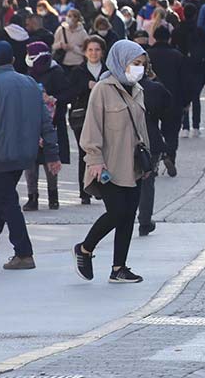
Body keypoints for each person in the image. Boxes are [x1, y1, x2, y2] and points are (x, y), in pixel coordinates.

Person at [0, 41, 60, 271]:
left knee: (6, 202)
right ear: (14, 61)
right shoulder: (30, 84)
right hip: (22, 155)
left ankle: (24, 253)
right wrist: (52, 154)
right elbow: (46, 123)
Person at [74, 40, 151, 284]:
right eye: (135, 63)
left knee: (128, 215)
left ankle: (119, 267)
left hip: (134, 165)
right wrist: (95, 159)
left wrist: (147, 159)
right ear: (121, 61)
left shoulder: (137, 89)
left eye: (141, 64)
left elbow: (141, 128)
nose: (138, 69)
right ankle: (85, 249)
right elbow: (91, 128)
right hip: (108, 164)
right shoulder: (103, 89)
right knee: (116, 212)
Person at [24, 42, 72, 211]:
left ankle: (53, 196)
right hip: (31, 123)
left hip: (52, 123)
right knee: (31, 162)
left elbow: (67, 94)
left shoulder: (56, 72)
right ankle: (32, 197)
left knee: (50, 160)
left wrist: (52, 98)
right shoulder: (29, 72)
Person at [68, 36, 108, 204]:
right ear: (85, 52)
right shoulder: (77, 71)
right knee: (85, 153)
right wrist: (86, 85)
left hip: (105, 117)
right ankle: (84, 190)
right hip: (82, 118)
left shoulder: (108, 71)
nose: (93, 53)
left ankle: (102, 188)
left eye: (97, 49)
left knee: (104, 152)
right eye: (90, 50)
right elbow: (69, 92)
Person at [137, 55, 173, 237]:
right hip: (149, 140)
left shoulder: (112, 87)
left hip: (128, 141)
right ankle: (144, 220)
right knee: (146, 181)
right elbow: (168, 109)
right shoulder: (155, 88)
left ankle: (134, 219)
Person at [146, 26, 185, 177]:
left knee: (151, 130)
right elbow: (185, 80)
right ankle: (170, 156)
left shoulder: (148, 55)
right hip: (173, 99)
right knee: (172, 132)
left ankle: (154, 160)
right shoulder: (177, 56)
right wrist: (186, 101)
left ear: (154, 38)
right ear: (169, 38)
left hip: (151, 99)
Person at [173, 4, 205, 138]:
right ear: (195, 14)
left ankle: (185, 126)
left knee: (183, 97)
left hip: (181, 67)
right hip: (197, 68)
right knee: (196, 97)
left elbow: (173, 46)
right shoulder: (199, 31)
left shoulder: (178, 30)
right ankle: (196, 126)